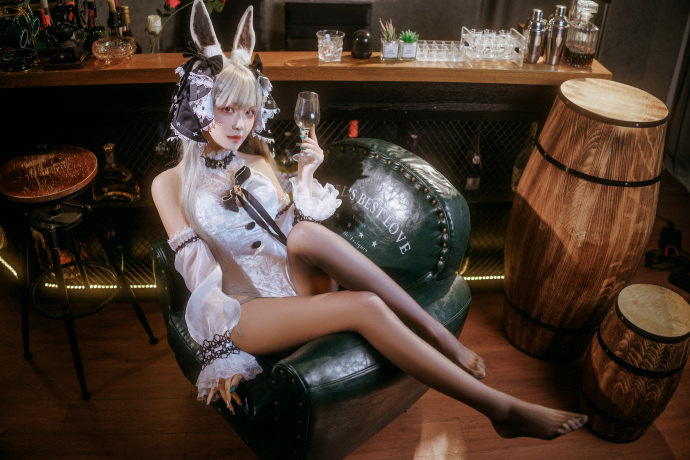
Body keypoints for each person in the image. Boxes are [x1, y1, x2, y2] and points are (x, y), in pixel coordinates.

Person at [152, 0, 587, 441]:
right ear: (201, 104)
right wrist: (219, 352)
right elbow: (197, 273)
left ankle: (436, 332)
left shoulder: (258, 162)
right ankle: (500, 408)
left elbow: (291, 233)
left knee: (304, 232)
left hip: (296, 284)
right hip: (248, 312)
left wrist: (306, 175)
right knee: (366, 306)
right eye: (227, 109)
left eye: (248, 112)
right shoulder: (170, 184)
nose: (239, 124)